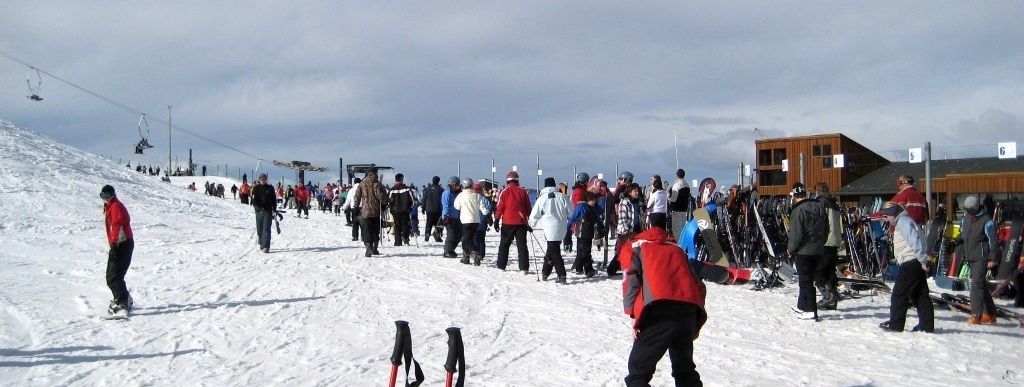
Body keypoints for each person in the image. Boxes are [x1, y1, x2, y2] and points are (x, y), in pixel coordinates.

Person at [620, 225, 707, 386]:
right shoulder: (676, 248)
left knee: (638, 372)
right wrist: (694, 320)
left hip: (658, 311)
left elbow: (630, 282)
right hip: (688, 309)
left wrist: (632, 315)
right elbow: (699, 285)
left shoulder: (632, 247)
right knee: (685, 370)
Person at [878, 202, 935, 333]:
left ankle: (895, 325)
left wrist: (922, 259)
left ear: (892, 213)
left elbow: (914, 240)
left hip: (911, 262)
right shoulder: (905, 220)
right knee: (919, 294)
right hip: (914, 261)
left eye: (886, 216)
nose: (886, 219)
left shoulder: (903, 222)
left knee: (899, 294)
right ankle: (926, 326)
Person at [786, 183, 827, 321]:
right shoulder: (819, 207)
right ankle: (801, 305)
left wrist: (790, 249)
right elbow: (826, 228)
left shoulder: (797, 211)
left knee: (805, 281)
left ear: (794, 195)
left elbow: (796, 234)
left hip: (804, 250)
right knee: (808, 279)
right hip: (818, 249)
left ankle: (810, 311)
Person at [959, 195, 998, 324]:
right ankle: (990, 314)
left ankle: (976, 315)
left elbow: (993, 241)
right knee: (981, 284)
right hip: (970, 256)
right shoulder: (965, 219)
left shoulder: (986, 220)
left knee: (976, 285)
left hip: (982, 257)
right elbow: (963, 236)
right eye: (966, 209)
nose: (968, 212)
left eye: (970, 209)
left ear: (976, 208)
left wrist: (993, 258)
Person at [529, 177, 572, 284]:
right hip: (561, 228)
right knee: (552, 249)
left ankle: (562, 275)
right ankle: (545, 272)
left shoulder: (542, 198)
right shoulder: (562, 196)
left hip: (549, 229)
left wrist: (531, 224)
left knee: (554, 251)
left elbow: (535, 214)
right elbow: (571, 211)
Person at [101, 185, 135, 315]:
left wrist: (114, 246)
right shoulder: (112, 206)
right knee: (113, 276)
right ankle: (123, 298)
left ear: (113, 195)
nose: (105, 199)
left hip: (122, 244)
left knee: (114, 276)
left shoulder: (115, 206)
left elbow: (117, 225)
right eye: (103, 196)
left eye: (108, 196)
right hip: (121, 244)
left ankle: (123, 302)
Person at [494, 171, 533, 273]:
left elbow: (500, 207)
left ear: (507, 180)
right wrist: (527, 219)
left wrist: (496, 219)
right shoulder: (523, 191)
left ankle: (501, 265)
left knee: (504, 244)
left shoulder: (504, 191)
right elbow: (528, 207)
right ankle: (524, 268)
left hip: (507, 222)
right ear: (517, 180)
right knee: (522, 245)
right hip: (521, 222)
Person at [608, 184, 645, 276]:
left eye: (637, 191)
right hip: (626, 232)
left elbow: (639, 217)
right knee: (621, 251)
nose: (637, 193)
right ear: (629, 192)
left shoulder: (638, 202)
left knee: (635, 251)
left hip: (636, 230)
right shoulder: (625, 202)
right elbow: (622, 218)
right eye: (635, 191)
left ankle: (634, 269)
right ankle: (611, 270)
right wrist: (626, 232)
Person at [814, 182, 842, 310]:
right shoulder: (834, 203)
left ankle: (828, 297)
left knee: (819, 272)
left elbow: (819, 222)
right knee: (830, 272)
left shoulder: (821, 202)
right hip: (835, 240)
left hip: (825, 240)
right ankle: (832, 299)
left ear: (818, 191)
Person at [454, 181, 491, 265]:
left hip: (466, 220)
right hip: (476, 221)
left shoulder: (461, 195)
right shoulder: (477, 195)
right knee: (469, 239)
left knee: (467, 240)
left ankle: (475, 254)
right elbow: (484, 209)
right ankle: (466, 258)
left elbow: (456, 206)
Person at [567, 191, 601, 277]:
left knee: (583, 251)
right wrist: (567, 228)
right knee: (585, 252)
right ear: (588, 200)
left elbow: (597, 220)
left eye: (595, 200)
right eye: (593, 200)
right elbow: (573, 218)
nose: (594, 202)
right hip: (582, 233)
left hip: (589, 233)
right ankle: (588, 270)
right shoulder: (582, 207)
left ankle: (578, 268)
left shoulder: (592, 208)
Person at [356, 170, 387, 257]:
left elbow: (357, 196)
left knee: (367, 230)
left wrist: (356, 206)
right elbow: (380, 196)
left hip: (366, 211)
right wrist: (384, 201)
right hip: (376, 211)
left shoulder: (362, 183)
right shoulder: (377, 184)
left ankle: (368, 247)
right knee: (375, 230)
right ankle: (375, 248)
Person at [250, 173, 277, 253]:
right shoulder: (256, 188)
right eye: (261, 179)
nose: (263, 180)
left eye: (264, 179)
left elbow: (273, 199)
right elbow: (254, 200)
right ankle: (261, 242)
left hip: (268, 211)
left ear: (266, 179)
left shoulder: (270, 188)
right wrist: (259, 207)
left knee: (266, 229)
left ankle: (266, 246)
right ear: (259, 179)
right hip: (258, 211)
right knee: (259, 229)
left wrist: (274, 209)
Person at [388, 173, 417, 246]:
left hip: (395, 211)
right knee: (405, 225)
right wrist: (410, 207)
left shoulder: (392, 190)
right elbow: (412, 200)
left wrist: (391, 208)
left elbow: (389, 201)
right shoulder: (407, 188)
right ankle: (406, 239)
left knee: (397, 226)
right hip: (405, 210)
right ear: (401, 179)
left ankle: (397, 242)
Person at [441, 176, 464, 258]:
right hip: (449, 216)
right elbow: (445, 205)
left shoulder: (457, 193)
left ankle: (451, 249)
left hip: (457, 216)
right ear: (452, 184)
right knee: (451, 234)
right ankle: (447, 250)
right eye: (457, 184)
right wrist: (446, 215)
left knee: (459, 235)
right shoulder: (447, 193)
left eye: (459, 184)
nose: (458, 186)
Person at [668, 169, 691, 240]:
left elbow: (674, 199)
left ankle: (679, 244)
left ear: (677, 175)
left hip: (677, 209)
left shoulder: (677, 185)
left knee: (676, 229)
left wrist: (668, 197)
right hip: (684, 209)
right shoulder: (687, 185)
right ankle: (684, 243)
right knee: (683, 228)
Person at [422, 176, 445, 243]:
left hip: (429, 209)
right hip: (438, 209)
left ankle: (427, 235)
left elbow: (424, 199)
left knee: (429, 223)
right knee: (439, 224)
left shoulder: (427, 189)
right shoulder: (441, 189)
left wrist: (423, 208)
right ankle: (438, 236)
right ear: (438, 181)